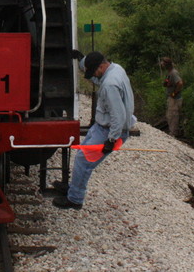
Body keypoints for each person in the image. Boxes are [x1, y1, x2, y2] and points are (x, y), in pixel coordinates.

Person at [52, 50, 136, 209]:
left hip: (108, 131)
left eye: (94, 71)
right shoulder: (116, 69)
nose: (93, 76)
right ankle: (73, 188)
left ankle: (75, 199)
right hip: (101, 127)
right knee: (81, 157)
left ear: (102, 66)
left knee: (84, 161)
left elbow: (118, 115)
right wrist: (82, 60)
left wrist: (112, 140)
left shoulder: (110, 85)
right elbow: (99, 80)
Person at [161, 57, 184, 137]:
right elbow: (169, 83)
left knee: (173, 116)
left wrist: (174, 93)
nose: (162, 65)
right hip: (172, 98)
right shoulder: (169, 73)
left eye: (163, 63)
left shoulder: (174, 73)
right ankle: (173, 132)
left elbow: (180, 83)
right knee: (170, 115)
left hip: (175, 99)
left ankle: (173, 134)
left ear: (167, 64)